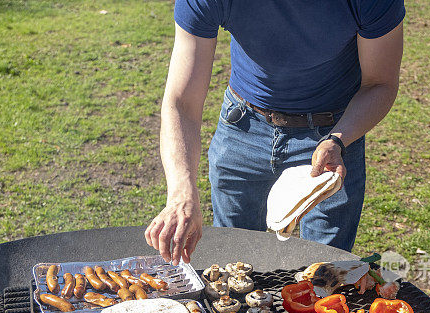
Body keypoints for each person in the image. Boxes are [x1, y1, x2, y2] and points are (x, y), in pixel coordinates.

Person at [145, 0, 405, 264]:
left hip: (334, 132)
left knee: (325, 272)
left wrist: (338, 140)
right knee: (233, 264)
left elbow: (380, 84)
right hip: (242, 127)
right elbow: (182, 102)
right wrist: (181, 191)